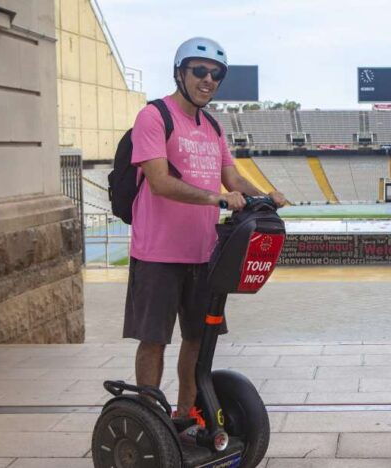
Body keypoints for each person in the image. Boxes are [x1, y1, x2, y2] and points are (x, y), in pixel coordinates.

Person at [123, 37, 287, 426]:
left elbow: (231, 177)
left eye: (215, 74)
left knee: (198, 340)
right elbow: (160, 182)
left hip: (202, 253)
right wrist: (217, 198)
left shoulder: (212, 125)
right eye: (199, 71)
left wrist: (266, 194)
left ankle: (185, 415)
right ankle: (150, 422)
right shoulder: (154, 116)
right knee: (155, 341)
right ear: (180, 73)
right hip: (157, 254)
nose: (207, 80)